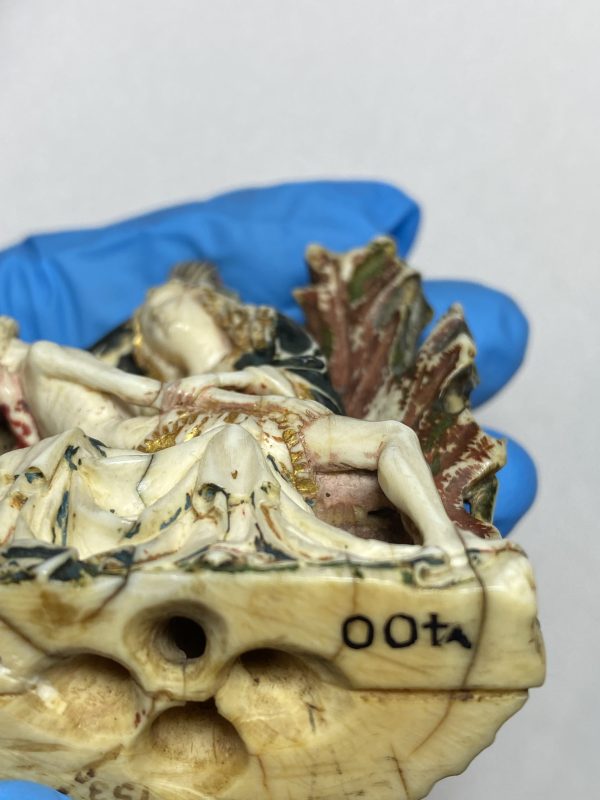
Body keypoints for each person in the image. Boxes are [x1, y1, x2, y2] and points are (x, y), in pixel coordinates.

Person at [0, 180, 537, 800]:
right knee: (229, 452)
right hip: (183, 443)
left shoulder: (265, 351)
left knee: (386, 439)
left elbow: (286, 388)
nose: (164, 322)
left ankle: (439, 550)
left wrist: (247, 386)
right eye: (156, 320)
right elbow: (138, 405)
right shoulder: (117, 382)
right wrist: (181, 395)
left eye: (174, 311)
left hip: (268, 435)